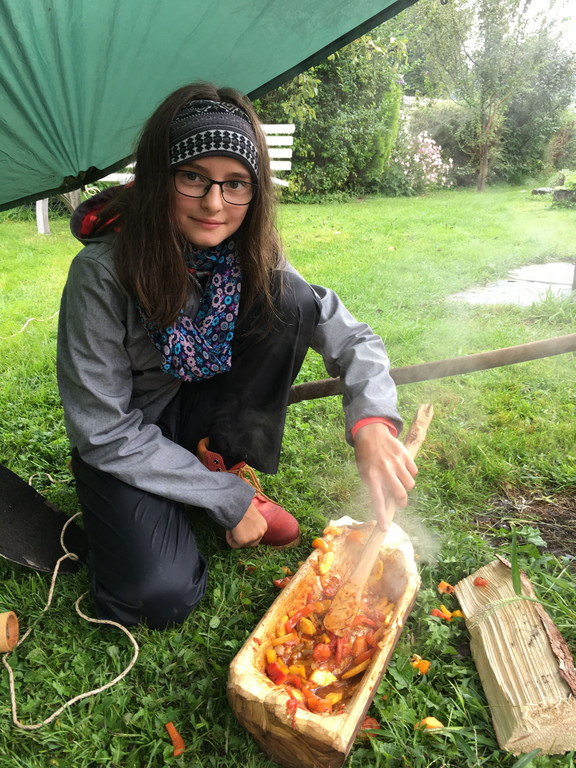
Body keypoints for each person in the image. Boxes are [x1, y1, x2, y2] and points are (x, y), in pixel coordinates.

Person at [57, 82, 417, 629]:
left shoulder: (251, 251)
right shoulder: (101, 274)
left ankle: (216, 460)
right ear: (159, 177)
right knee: (157, 597)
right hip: (128, 439)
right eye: (192, 177)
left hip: (198, 412)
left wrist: (372, 424)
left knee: (291, 299)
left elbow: (352, 338)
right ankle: (203, 491)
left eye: (236, 184)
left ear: (255, 191)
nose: (214, 203)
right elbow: (103, 430)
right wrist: (225, 499)